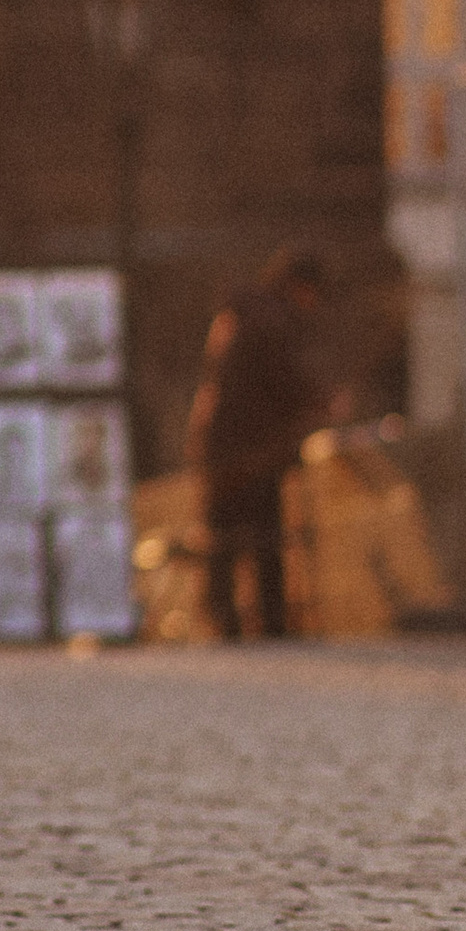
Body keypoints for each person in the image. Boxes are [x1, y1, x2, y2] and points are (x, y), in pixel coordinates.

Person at [189, 246, 328, 639]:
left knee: (225, 537)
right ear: (300, 287)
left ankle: (224, 620)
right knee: (265, 536)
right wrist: (319, 399)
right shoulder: (270, 321)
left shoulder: (240, 314)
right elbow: (282, 380)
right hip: (252, 451)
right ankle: (271, 623)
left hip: (220, 445)